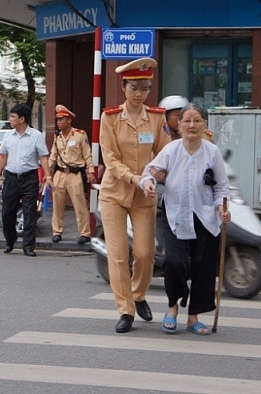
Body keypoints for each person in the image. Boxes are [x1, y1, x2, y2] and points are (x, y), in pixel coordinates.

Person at [140, 103, 230, 335]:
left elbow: (221, 187)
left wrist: (222, 208)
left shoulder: (212, 152)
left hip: (205, 216)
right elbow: (148, 172)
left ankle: (194, 318)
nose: (192, 125)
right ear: (178, 126)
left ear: (204, 125)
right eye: (187, 121)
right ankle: (172, 309)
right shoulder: (171, 150)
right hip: (175, 215)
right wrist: (149, 183)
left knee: (204, 267)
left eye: (197, 120)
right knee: (174, 262)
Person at [99, 57, 171, 333]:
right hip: (114, 193)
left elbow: (166, 152)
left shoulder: (156, 117)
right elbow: (110, 157)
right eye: (135, 88)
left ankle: (139, 294)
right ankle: (126, 309)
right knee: (118, 255)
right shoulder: (110, 117)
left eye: (145, 89)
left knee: (144, 252)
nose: (140, 94)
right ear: (124, 87)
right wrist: (135, 178)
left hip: (145, 193)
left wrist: (157, 175)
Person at [0, 104, 53, 257]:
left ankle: (28, 246)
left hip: (29, 178)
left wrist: (48, 176)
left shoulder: (36, 136)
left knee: (29, 213)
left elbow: (43, 157)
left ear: (22, 119)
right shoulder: (8, 136)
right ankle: (9, 241)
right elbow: (2, 157)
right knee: (7, 213)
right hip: (11, 178)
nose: (10, 119)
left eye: (13, 116)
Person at [48, 104, 96, 244]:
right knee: (57, 205)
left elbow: (87, 154)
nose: (58, 122)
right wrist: (48, 175)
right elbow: (53, 156)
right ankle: (57, 231)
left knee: (79, 204)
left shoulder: (80, 135)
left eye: (61, 119)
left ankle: (84, 233)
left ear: (69, 120)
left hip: (75, 174)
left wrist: (91, 171)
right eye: (57, 120)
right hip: (60, 174)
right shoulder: (57, 137)